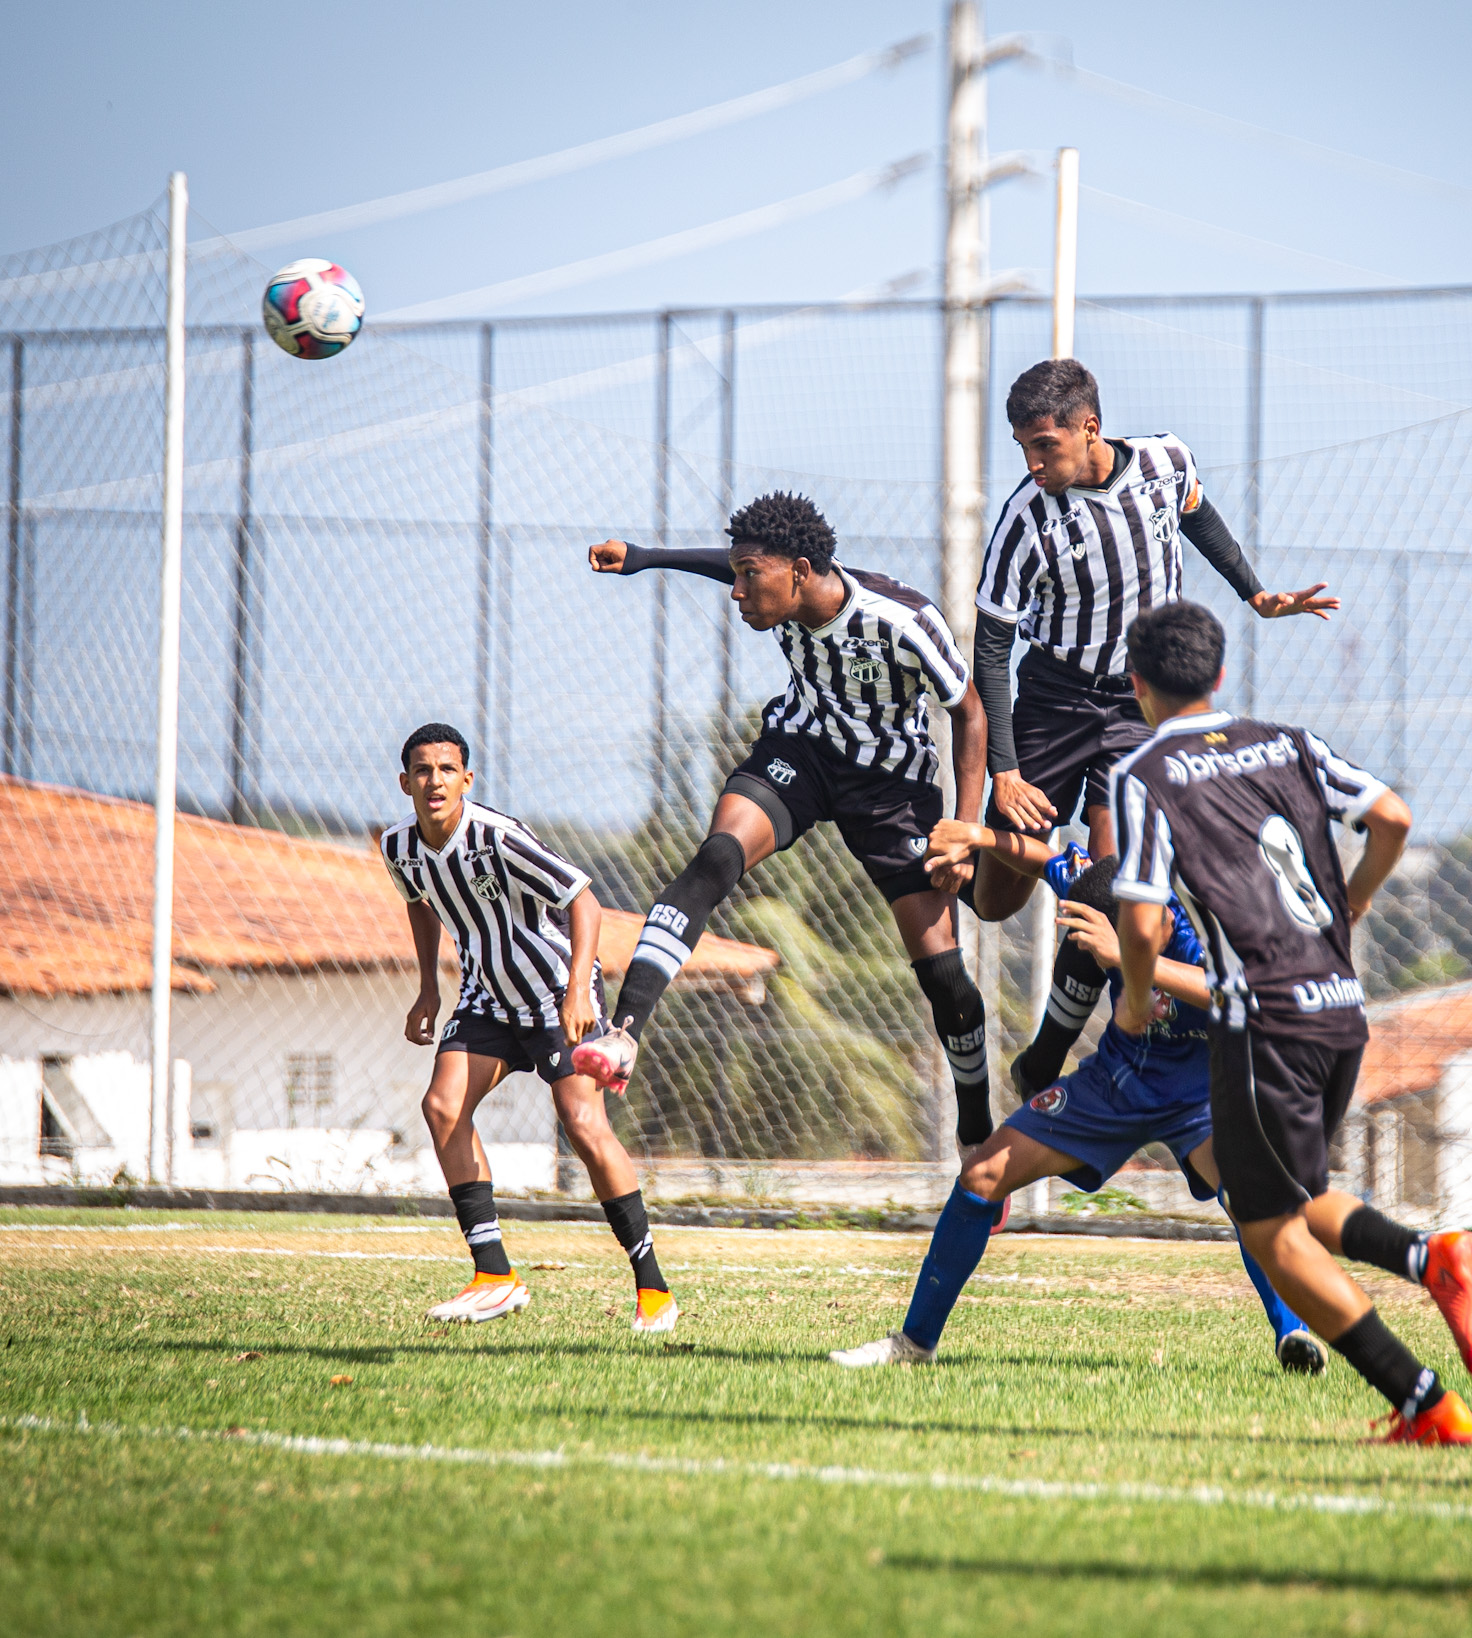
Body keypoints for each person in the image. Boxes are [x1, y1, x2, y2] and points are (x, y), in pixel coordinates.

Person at [1109, 600, 1472, 1448]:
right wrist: (1353, 901)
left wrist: (1137, 1000)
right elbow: (1391, 815)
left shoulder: (1145, 773)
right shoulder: (1290, 742)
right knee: (1300, 1195)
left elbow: (1139, 923)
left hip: (1265, 1022)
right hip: (1340, 1007)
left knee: (1275, 1237)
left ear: (1136, 684)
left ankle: (1424, 1401)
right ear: (1219, 675)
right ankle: (1429, 1259)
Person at [572, 493, 1000, 1145]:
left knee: (944, 974)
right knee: (716, 857)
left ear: (800, 571)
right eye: (738, 575)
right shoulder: (778, 585)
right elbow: (727, 561)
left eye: (751, 577)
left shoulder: (904, 620)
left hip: (891, 788)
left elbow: (970, 713)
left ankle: (977, 1132)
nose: (738, 591)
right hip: (801, 753)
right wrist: (646, 559)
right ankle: (623, 1034)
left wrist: (965, 831)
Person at [831, 843, 1328, 1372]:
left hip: (1203, 1090)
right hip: (1116, 1081)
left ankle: (1293, 1335)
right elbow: (1044, 860)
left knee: (1250, 1196)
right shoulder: (1105, 888)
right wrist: (978, 836)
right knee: (982, 1175)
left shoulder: (1214, 924)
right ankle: (914, 1344)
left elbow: (1249, 994)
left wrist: (1130, 962)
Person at [968, 359, 1339, 949]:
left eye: (1044, 445)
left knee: (1116, 896)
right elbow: (991, 651)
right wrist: (1005, 772)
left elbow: (1196, 513)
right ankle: (1051, 861)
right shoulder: (1025, 520)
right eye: (1022, 448)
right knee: (992, 904)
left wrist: (1256, 592)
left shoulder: (1166, 461)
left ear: (1089, 427)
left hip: (1138, 705)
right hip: (1054, 700)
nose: (1033, 464)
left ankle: (1104, 1031)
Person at [381, 723, 676, 1331]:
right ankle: (494, 1276)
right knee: (442, 1108)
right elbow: (418, 899)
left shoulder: (498, 836)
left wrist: (576, 989)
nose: (434, 780)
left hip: (551, 995)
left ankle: (653, 1288)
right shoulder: (398, 846)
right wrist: (429, 987)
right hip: (486, 998)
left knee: (584, 1124)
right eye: (422, 770)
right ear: (405, 781)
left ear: (467, 779)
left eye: (446, 769)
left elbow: (583, 900)